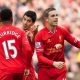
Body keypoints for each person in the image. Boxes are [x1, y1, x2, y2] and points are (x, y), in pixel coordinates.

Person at [35, 7, 80, 80]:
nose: (56, 17)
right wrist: (53, 63)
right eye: (53, 16)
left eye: (56, 15)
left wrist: (56, 64)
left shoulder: (62, 31)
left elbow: (76, 43)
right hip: (45, 71)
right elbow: (40, 57)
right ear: (46, 19)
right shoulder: (39, 35)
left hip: (60, 70)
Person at [0, 7, 32, 80]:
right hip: (19, 70)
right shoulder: (20, 32)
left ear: (0, 19)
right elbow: (28, 50)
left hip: (4, 71)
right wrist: (27, 67)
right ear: (12, 18)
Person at [22, 11, 38, 80]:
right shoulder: (19, 32)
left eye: (28, 21)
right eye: (24, 19)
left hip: (27, 71)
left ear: (33, 23)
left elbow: (33, 38)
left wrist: (35, 33)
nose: (25, 22)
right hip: (20, 68)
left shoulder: (30, 34)